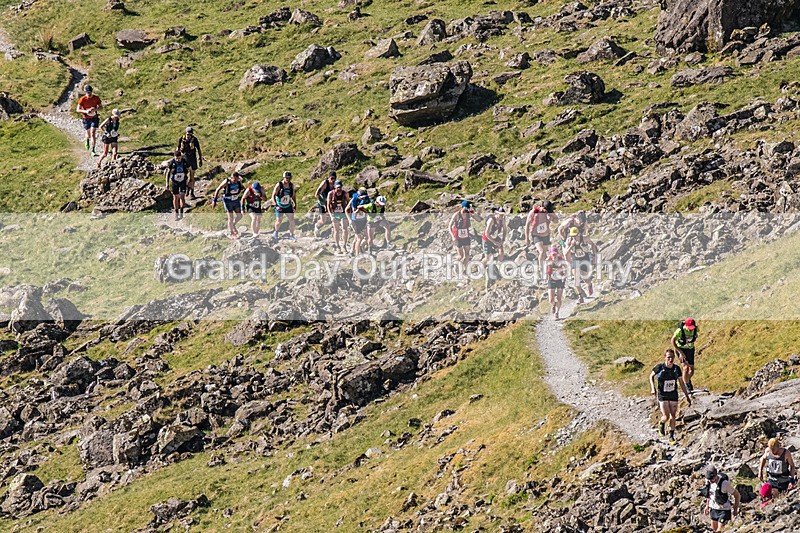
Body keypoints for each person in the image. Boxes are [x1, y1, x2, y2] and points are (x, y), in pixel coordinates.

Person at [649, 349, 691, 444]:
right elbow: (651, 376)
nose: (670, 359)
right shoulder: (659, 367)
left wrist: (687, 396)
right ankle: (662, 422)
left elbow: (681, 383)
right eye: (668, 357)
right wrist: (653, 388)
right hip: (662, 394)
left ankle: (671, 436)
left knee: (673, 416)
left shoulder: (676, 369)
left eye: (672, 357)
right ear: (664, 357)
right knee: (666, 416)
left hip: (673, 394)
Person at [525, 200, 557, 284]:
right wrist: (527, 238)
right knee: (541, 251)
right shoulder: (534, 212)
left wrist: (552, 217)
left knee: (545, 254)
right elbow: (527, 224)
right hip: (536, 235)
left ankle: (546, 271)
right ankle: (540, 270)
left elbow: (556, 221)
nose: (547, 212)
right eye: (546, 210)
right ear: (542, 207)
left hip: (546, 235)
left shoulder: (549, 212)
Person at [563, 225, 597, 303]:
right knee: (576, 279)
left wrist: (594, 255)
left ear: (578, 234)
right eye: (572, 236)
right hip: (575, 260)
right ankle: (580, 297)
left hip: (585, 259)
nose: (574, 237)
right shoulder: (569, 241)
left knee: (585, 279)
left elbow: (592, 244)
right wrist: (571, 245)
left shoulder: (584, 238)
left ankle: (589, 284)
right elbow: (565, 253)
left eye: (575, 236)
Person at [704, 466, 740, 532]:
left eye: (712, 479)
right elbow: (709, 494)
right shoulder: (708, 481)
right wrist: (707, 506)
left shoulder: (724, 484)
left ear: (716, 475)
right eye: (709, 479)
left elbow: (737, 495)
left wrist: (735, 510)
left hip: (724, 510)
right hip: (713, 509)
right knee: (713, 530)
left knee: (720, 530)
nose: (710, 481)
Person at [212, 171, 244, 239]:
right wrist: (214, 200)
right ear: (231, 178)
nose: (235, 181)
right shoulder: (226, 181)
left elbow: (242, 187)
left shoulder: (239, 181)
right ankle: (231, 233)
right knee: (231, 217)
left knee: (239, 215)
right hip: (228, 200)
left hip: (235, 200)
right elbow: (218, 189)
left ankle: (233, 225)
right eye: (234, 180)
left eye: (237, 180)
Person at [672, 318, 698, 393]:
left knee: (691, 370)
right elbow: (672, 341)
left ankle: (687, 380)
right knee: (685, 368)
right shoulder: (680, 331)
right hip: (680, 349)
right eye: (689, 328)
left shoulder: (695, 329)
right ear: (686, 326)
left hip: (690, 349)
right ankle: (686, 386)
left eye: (692, 328)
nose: (690, 330)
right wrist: (680, 352)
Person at [177, 126, 203, 199]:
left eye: (190, 134)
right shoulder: (181, 139)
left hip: (192, 159)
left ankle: (191, 192)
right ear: (186, 133)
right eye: (188, 134)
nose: (189, 136)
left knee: (192, 177)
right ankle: (185, 189)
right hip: (184, 158)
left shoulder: (194, 140)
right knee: (184, 176)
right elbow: (178, 149)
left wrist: (200, 158)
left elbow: (199, 149)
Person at [76, 85, 102, 155]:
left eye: (90, 92)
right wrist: (86, 111)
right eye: (87, 92)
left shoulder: (96, 98)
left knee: (93, 133)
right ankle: (87, 139)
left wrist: (95, 109)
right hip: (86, 118)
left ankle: (93, 150)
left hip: (94, 117)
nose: (89, 94)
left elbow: (101, 107)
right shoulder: (82, 99)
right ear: (85, 92)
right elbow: (77, 109)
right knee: (88, 135)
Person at [164, 150, 189, 220]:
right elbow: (168, 173)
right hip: (175, 182)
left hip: (183, 181)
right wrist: (167, 183)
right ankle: (176, 213)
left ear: (181, 157)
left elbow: (190, 169)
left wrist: (190, 179)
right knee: (175, 197)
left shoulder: (184, 161)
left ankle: (181, 211)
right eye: (176, 158)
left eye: (179, 158)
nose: (178, 160)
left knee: (182, 197)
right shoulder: (172, 162)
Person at [326, 180, 350, 254]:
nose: (339, 189)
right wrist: (331, 215)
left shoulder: (345, 193)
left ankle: (344, 246)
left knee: (344, 229)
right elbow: (328, 205)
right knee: (336, 230)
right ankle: (337, 246)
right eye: (337, 188)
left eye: (340, 187)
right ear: (334, 187)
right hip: (335, 213)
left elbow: (348, 203)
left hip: (343, 213)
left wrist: (348, 213)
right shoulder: (331, 194)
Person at [272, 171, 297, 241]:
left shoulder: (291, 185)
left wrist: (295, 204)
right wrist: (276, 205)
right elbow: (273, 195)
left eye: (289, 178)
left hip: (288, 206)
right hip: (279, 206)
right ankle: (276, 232)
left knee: (292, 220)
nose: (288, 179)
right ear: (284, 178)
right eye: (286, 178)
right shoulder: (279, 185)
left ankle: (291, 235)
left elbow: (293, 195)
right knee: (279, 221)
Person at [346, 187, 370, 255]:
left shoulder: (367, 199)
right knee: (359, 238)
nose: (363, 199)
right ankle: (357, 254)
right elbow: (353, 212)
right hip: (355, 221)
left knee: (361, 237)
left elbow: (369, 210)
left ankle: (354, 250)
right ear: (358, 195)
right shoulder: (354, 199)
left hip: (363, 220)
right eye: (362, 197)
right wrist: (349, 219)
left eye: (364, 197)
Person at [450, 200, 474, 266]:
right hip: (458, 236)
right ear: (462, 207)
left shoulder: (469, 214)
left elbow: (479, 219)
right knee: (461, 256)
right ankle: (454, 263)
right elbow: (449, 226)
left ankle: (464, 269)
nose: (466, 210)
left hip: (466, 236)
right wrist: (453, 237)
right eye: (465, 208)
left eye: (467, 208)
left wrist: (473, 212)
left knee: (467, 255)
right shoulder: (456, 215)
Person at [313, 171, 337, 239]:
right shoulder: (325, 183)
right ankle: (317, 226)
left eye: (334, 178)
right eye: (331, 178)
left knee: (335, 217)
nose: (333, 180)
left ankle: (335, 232)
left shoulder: (335, 184)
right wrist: (324, 204)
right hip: (322, 202)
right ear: (328, 178)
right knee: (323, 220)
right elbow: (316, 194)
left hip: (330, 202)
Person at [546, 246, 567, 319]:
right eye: (553, 254)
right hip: (551, 280)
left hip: (560, 280)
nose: (554, 256)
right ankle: (553, 305)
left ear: (557, 254)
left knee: (559, 298)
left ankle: (557, 313)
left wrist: (564, 276)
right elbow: (546, 270)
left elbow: (566, 267)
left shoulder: (561, 260)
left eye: (555, 254)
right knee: (551, 300)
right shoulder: (548, 260)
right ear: (550, 254)